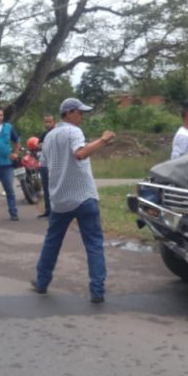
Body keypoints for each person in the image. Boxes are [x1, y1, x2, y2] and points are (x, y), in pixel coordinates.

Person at [30, 98, 115, 303]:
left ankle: (42, 282)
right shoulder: (73, 132)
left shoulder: (49, 137)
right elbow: (80, 154)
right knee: (94, 243)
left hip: (60, 199)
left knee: (52, 241)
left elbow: (44, 166)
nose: (82, 116)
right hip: (84, 196)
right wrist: (103, 140)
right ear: (68, 113)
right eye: (79, 112)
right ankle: (97, 290)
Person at [36, 115, 56, 218]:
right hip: (44, 164)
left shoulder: (57, 133)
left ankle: (56, 211)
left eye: (50, 122)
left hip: (55, 165)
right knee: (46, 188)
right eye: (46, 122)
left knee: (55, 188)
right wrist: (42, 145)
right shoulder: (44, 134)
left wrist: (44, 145)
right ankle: (48, 210)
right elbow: (38, 145)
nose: (47, 124)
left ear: (54, 122)